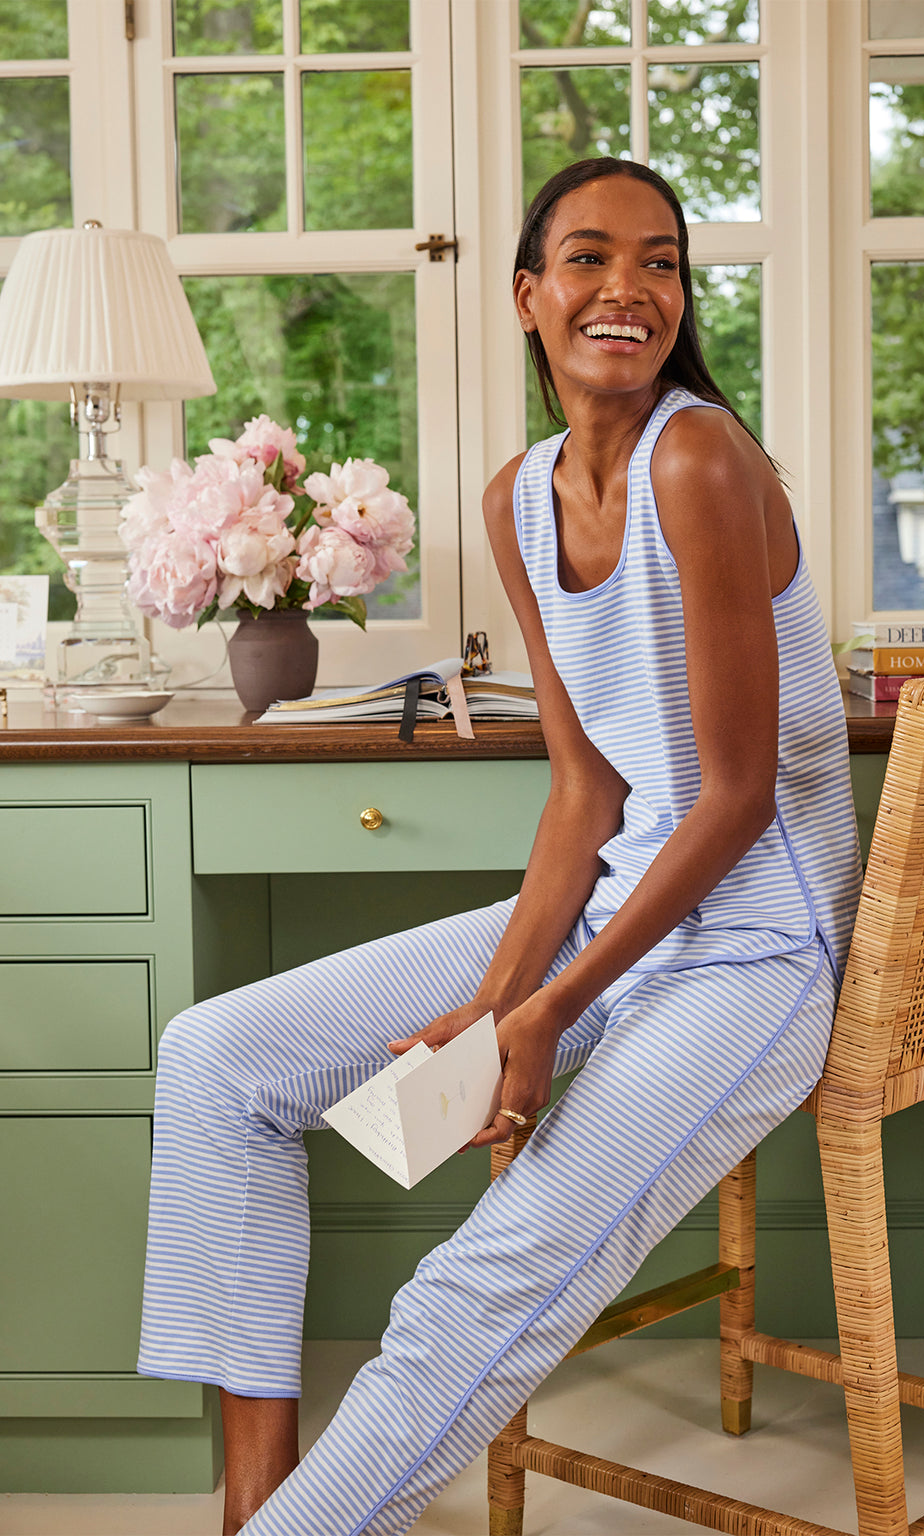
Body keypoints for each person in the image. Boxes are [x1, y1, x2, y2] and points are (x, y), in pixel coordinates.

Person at [136, 157, 863, 1536]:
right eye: (589, 258)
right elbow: (586, 795)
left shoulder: (702, 458)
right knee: (216, 1061)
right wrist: (492, 1006)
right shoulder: (515, 500)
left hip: (758, 947)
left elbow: (736, 801)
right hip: (623, 910)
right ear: (528, 294)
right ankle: (257, 1503)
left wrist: (543, 1011)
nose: (627, 290)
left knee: (477, 1280)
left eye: (660, 262)